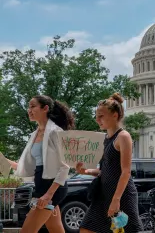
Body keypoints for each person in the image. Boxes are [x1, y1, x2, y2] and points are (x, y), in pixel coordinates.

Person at [4, 95, 73, 233]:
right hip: (41, 186)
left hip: (52, 188)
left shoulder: (55, 132)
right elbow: (26, 167)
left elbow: (65, 166)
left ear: (45, 108)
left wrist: (49, 195)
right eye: (28, 106)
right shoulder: (34, 135)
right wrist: (3, 161)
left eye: (32, 106)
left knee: (27, 231)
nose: (29, 110)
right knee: (56, 229)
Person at [77, 93, 143, 233]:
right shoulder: (106, 138)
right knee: (86, 228)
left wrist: (116, 199)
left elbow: (125, 171)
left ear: (115, 115)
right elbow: (104, 170)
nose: (97, 119)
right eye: (96, 116)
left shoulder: (123, 136)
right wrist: (86, 171)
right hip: (103, 195)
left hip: (121, 195)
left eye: (101, 116)